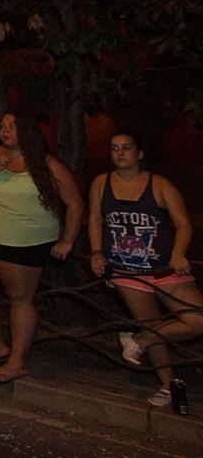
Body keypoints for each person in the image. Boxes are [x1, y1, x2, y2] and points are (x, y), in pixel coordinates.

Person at [0, 112, 84, 383]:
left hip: (26, 238)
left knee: (20, 298)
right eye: (3, 125)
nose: (6, 130)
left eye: (13, 126)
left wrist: (67, 240)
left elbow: (75, 204)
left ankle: (18, 362)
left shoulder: (48, 164)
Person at [88, 130, 203, 408]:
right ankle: (166, 386)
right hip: (127, 271)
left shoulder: (159, 184)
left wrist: (178, 253)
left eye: (127, 147)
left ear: (139, 153)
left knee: (197, 319)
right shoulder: (102, 184)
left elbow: (184, 223)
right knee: (151, 324)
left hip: (164, 268)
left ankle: (138, 339)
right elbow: (94, 219)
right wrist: (97, 252)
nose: (120, 153)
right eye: (115, 148)